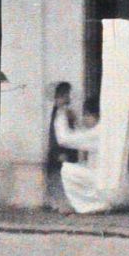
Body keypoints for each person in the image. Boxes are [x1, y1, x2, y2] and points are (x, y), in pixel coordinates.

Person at [44, 81, 87, 209]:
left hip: (67, 149)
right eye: (66, 95)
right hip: (60, 150)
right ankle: (58, 204)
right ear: (60, 96)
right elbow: (53, 135)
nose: (68, 97)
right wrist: (58, 152)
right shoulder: (57, 113)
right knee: (59, 176)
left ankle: (64, 203)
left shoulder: (66, 112)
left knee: (66, 176)